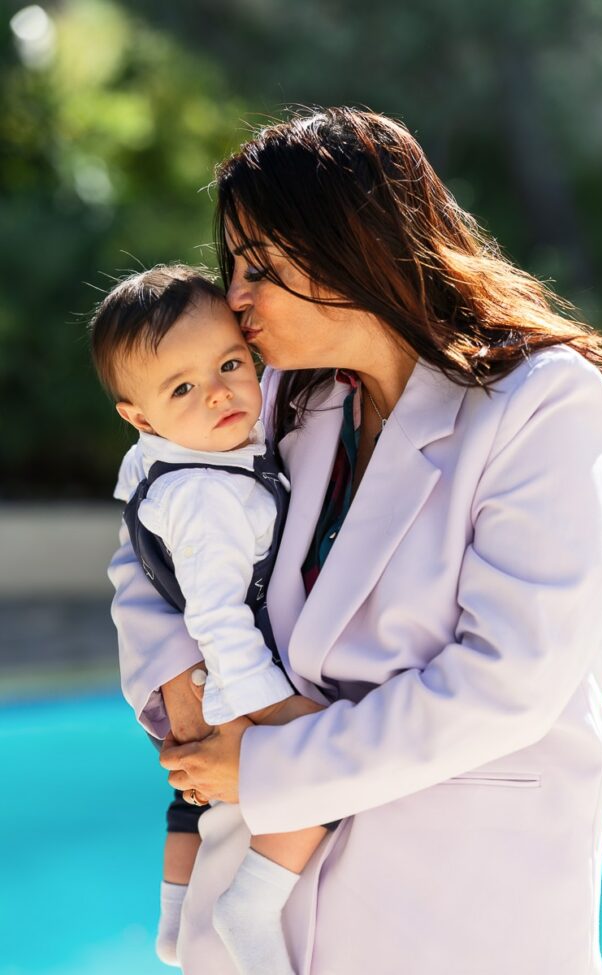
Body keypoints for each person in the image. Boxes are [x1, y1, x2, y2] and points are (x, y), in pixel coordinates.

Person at [109, 108, 602, 974]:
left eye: (259, 267)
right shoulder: (276, 397)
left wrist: (268, 768)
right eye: (234, 266)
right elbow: (150, 518)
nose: (233, 297)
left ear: (352, 245)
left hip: (453, 922)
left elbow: (507, 683)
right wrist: (182, 693)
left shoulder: (542, 402)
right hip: (253, 924)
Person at [90, 264, 327, 974]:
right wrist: (273, 706)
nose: (220, 393)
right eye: (183, 388)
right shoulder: (207, 496)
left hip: (201, 674)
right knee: (326, 774)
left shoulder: (167, 455)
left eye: (229, 363)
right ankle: (250, 903)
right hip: (232, 673)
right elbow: (220, 614)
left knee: (189, 799)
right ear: (139, 415)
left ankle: (172, 919)